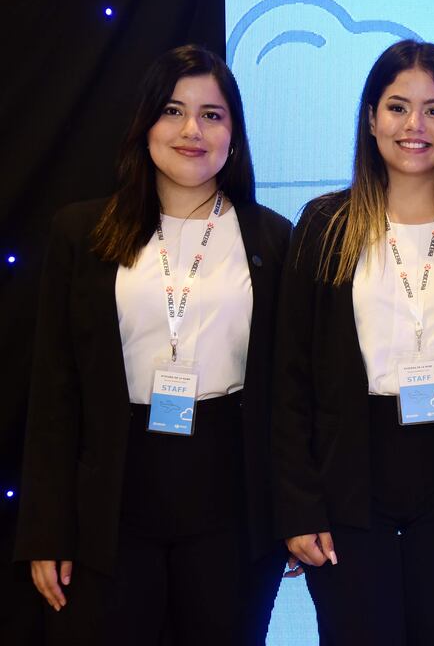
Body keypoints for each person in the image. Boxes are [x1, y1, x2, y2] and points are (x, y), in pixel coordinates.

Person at [14, 44, 290, 646]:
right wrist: (45, 531)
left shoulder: (273, 237)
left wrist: (291, 515)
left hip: (231, 504)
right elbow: (54, 395)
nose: (192, 130)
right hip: (112, 502)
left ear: (235, 135)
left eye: (212, 115)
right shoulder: (83, 232)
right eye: (173, 111)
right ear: (145, 126)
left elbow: (289, 392)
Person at [271, 39, 434, 645]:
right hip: (347, 486)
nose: (415, 126)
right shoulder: (325, 225)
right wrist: (298, 506)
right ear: (370, 117)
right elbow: (288, 380)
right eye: (397, 107)